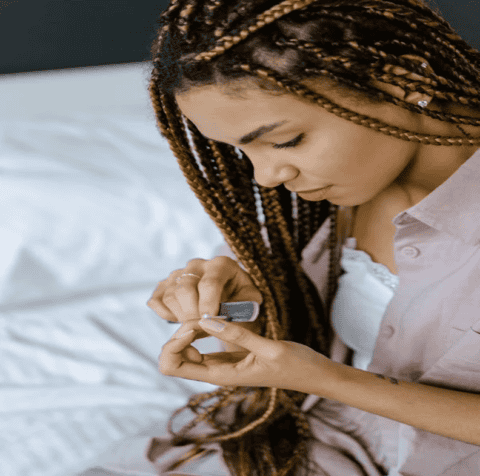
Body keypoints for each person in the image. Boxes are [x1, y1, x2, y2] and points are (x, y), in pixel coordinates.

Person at [145, 0, 480, 474]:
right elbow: (284, 347)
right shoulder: (324, 201)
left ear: (402, 77)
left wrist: (325, 380)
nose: (265, 176)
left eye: (284, 141)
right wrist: (248, 307)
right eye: (241, 150)